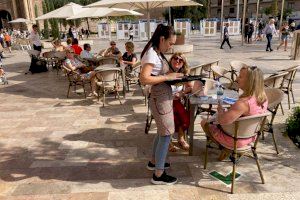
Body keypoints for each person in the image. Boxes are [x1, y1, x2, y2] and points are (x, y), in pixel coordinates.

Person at [140, 24, 183, 185]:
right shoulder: (152, 54)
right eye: (170, 43)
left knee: (162, 132)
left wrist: (172, 76)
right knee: (166, 134)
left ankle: (154, 162)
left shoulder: (155, 52)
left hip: (162, 97)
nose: (171, 46)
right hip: (160, 98)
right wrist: (167, 78)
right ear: (162, 39)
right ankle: (158, 174)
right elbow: (144, 79)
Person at [201, 65, 268, 161]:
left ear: (250, 81)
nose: (236, 78)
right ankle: (226, 150)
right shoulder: (263, 97)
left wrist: (220, 110)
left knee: (204, 122)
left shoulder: (243, 103)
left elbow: (222, 121)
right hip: (251, 137)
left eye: (240, 76)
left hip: (235, 140)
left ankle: (225, 149)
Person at [168, 52, 194, 152]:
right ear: (171, 60)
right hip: (166, 101)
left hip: (177, 101)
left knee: (185, 118)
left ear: (183, 63)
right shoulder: (166, 72)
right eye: (175, 58)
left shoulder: (183, 75)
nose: (177, 61)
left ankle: (181, 138)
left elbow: (191, 87)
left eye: (180, 60)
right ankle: (168, 141)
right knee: (171, 118)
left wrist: (182, 93)